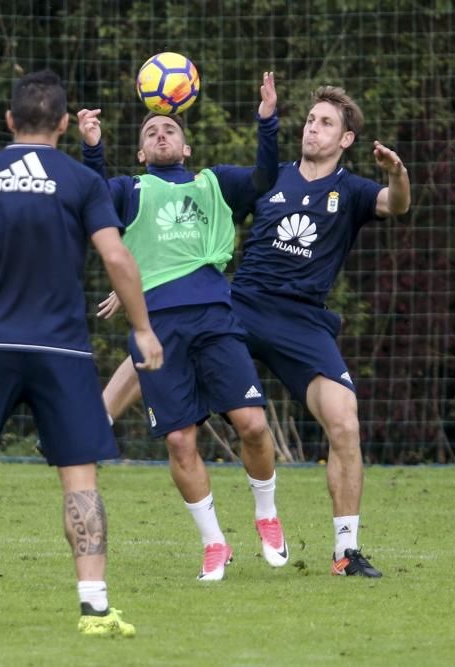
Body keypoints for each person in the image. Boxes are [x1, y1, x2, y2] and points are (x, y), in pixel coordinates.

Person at [100, 85, 411, 578]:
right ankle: (95, 420)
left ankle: (346, 553)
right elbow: (190, 229)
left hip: (303, 321)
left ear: (346, 137)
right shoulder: (271, 179)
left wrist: (397, 174)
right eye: (310, 118)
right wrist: (137, 282)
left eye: (326, 122)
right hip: (240, 304)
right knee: (162, 338)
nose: (313, 126)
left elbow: (395, 205)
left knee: (345, 421)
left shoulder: (350, 190)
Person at [0, 70, 163, 638]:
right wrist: (141, 329)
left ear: (10, 121)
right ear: (65, 124)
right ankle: (94, 608)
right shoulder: (80, 182)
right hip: (61, 350)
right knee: (79, 477)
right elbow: (116, 258)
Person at [76, 72, 289, 582]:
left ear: (186, 145)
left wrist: (267, 122)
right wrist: (92, 149)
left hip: (215, 319)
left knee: (254, 425)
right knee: (179, 442)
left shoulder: (213, 184)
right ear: (143, 154)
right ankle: (214, 543)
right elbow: (91, 202)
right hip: (156, 330)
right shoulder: (130, 191)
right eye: (151, 133)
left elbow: (265, 178)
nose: (161, 135)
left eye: (169, 128)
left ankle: (266, 513)